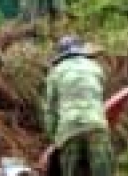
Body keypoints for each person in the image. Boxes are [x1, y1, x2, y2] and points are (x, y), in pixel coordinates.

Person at [44, 35, 113, 176]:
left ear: (60, 55)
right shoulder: (95, 67)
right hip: (96, 126)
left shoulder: (55, 72)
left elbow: (50, 112)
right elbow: (98, 98)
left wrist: (55, 141)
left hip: (69, 130)